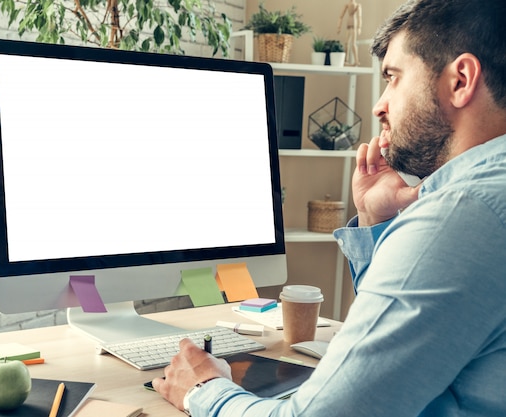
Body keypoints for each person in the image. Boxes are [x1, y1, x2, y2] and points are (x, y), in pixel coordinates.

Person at [152, 0, 506, 415]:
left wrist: (204, 388)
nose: (379, 106)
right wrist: (376, 221)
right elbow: (399, 355)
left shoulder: (465, 213)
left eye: (393, 78)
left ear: (460, 80)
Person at [337, 0, 362, 65]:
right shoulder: (347, 5)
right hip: (349, 24)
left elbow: (359, 17)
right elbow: (341, 16)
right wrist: (339, 27)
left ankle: (356, 60)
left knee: (353, 43)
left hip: (354, 25)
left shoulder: (357, 5)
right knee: (347, 43)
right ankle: (346, 60)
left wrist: (359, 27)